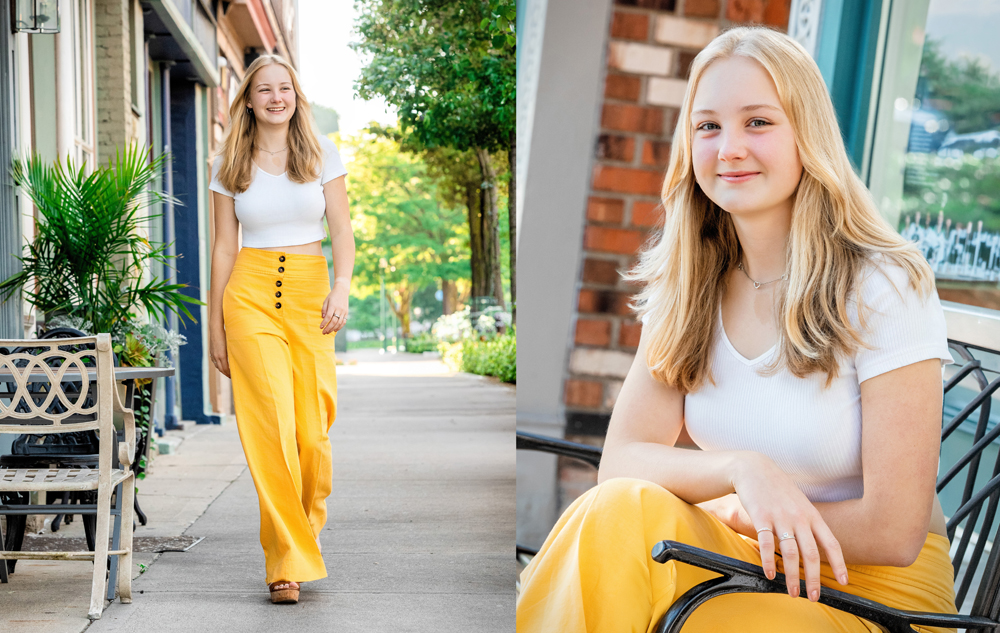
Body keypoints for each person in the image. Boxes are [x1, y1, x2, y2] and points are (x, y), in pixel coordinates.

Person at [516, 26, 958, 632]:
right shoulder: (690, 285)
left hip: (873, 596)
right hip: (745, 567)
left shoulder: (882, 285)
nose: (728, 149)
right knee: (616, 512)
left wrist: (742, 513)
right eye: (708, 126)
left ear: (807, 131)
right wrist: (741, 471)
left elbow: (895, 530)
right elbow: (621, 461)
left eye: (758, 122)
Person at [207, 54, 354, 605]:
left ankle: (303, 530)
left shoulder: (321, 154)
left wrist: (340, 289)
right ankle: (284, 563)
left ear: (296, 96)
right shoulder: (229, 163)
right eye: (264, 89)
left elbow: (342, 233)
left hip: (310, 292)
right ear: (247, 99)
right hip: (249, 294)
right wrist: (217, 327)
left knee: (312, 435)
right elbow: (224, 248)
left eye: (284, 89)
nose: (275, 97)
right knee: (271, 430)